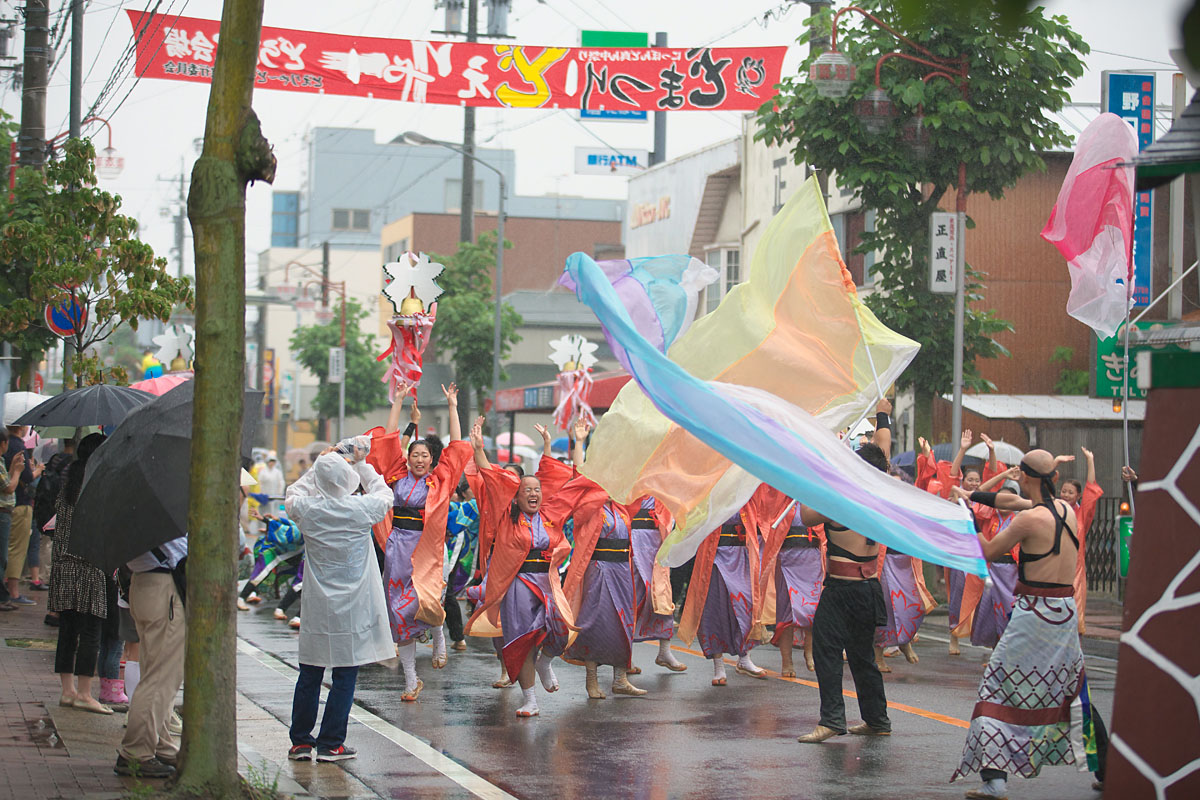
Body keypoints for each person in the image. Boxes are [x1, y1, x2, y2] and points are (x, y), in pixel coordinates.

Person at [952, 449, 1106, 798]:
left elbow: (988, 552)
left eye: (1020, 471)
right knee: (1074, 691)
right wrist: (972, 495)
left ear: (1029, 477)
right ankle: (1108, 770)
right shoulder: (1065, 509)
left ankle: (994, 781)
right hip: (1063, 611)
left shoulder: (1028, 520)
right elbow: (1011, 500)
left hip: (1034, 612)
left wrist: (969, 519)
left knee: (997, 687)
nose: (1016, 475)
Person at [285, 440, 394, 763]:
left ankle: (300, 742)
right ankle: (331, 742)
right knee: (345, 674)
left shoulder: (308, 510)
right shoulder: (360, 509)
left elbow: (293, 492)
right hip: (354, 606)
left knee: (310, 673)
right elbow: (384, 493)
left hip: (318, 605)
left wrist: (321, 465)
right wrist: (360, 463)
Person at [464, 418, 577, 718]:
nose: (534, 493)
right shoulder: (506, 518)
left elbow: (556, 478)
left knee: (562, 630)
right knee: (522, 643)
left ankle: (546, 661)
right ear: (515, 495)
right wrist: (478, 449)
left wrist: (550, 446)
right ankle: (530, 700)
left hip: (547, 583)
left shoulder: (551, 514)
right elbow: (491, 479)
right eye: (527, 489)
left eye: (537, 489)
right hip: (517, 586)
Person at [796, 399, 893, 744]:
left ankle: (832, 720)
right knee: (863, 656)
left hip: (843, 589)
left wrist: (819, 473)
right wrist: (883, 413)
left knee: (826, 650)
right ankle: (877, 719)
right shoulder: (881, 490)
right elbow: (882, 449)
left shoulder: (842, 499)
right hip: (870, 589)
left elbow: (807, 516)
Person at [366, 384, 470, 700]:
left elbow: (457, 446)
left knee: (425, 599)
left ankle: (438, 633)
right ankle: (411, 681)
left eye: (425, 455)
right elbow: (389, 439)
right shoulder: (397, 474)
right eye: (415, 454)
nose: (419, 459)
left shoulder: (440, 479)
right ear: (408, 457)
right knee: (399, 609)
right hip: (398, 545)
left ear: (431, 459)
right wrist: (397, 400)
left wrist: (453, 406)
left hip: (426, 549)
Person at [676, 496, 770, 687]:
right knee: (714, 608)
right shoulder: (711, 491)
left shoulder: (747, 493)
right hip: (715, 556)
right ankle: (719, 666)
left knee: (746, 605)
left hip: (741, 555)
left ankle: (744, 658)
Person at [114, 533, 188, 778]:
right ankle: (136, 751)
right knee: (161, 677)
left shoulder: (132, 516)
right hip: (164, 589)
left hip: (143, 584)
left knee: (154, 670)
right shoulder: (158, 514)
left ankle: (160, 743)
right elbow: (180, 550)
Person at [756, 486, 823, 676]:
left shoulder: (814, 498)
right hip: (787, 561)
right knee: (786, 614)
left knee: (813, 611)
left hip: (812, 560)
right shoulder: (780, 497)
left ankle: (810, 653)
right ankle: (787, 662)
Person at [628, 494, 686, 673]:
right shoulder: (628, 478)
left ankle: (664, 651)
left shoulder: (663, 482)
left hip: (657, 542)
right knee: (631, 598)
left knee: (662, 595)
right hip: (633, 541)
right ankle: (626, 656)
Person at [4, 425, 43, 608]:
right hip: (19, 505)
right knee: (17, 550)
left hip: (12, 506)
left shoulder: (8, 447)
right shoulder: (18, 446)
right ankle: (13, 591)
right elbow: (24, 478)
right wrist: (37, 470)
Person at [0, 430, 19, 611]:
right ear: (3, 443)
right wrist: (19, 473)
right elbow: (9, 487)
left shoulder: (2, 462)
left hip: (5, 512)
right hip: (2, 513)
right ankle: (1, 597)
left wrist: (13, 466)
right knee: (1, 556)